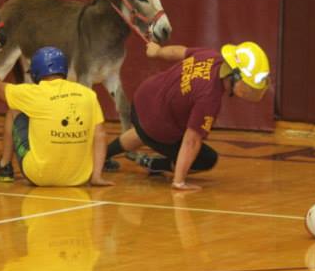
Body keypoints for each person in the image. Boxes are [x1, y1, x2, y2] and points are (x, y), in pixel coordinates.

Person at [105, 40, 271, 191]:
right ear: (235, 76)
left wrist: (158, 51)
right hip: (155, 123)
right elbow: (192, 141)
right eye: (250, 85)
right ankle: (155, 164)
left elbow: (181, 51)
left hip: (143, 99)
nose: (252, 90)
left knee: (145, 130)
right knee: (207, 159)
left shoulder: (210, 56)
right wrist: (179, 181)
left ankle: (102, 156)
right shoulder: (209, 98)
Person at [0, 42, 111, 187]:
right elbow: (100, 135)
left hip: (39, 175)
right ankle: (94, 175)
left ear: (36, 72)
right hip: (78, 178)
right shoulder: (88, 94)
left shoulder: (32, 93)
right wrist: (96, 176)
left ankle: (4, 165)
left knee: (14, 112)